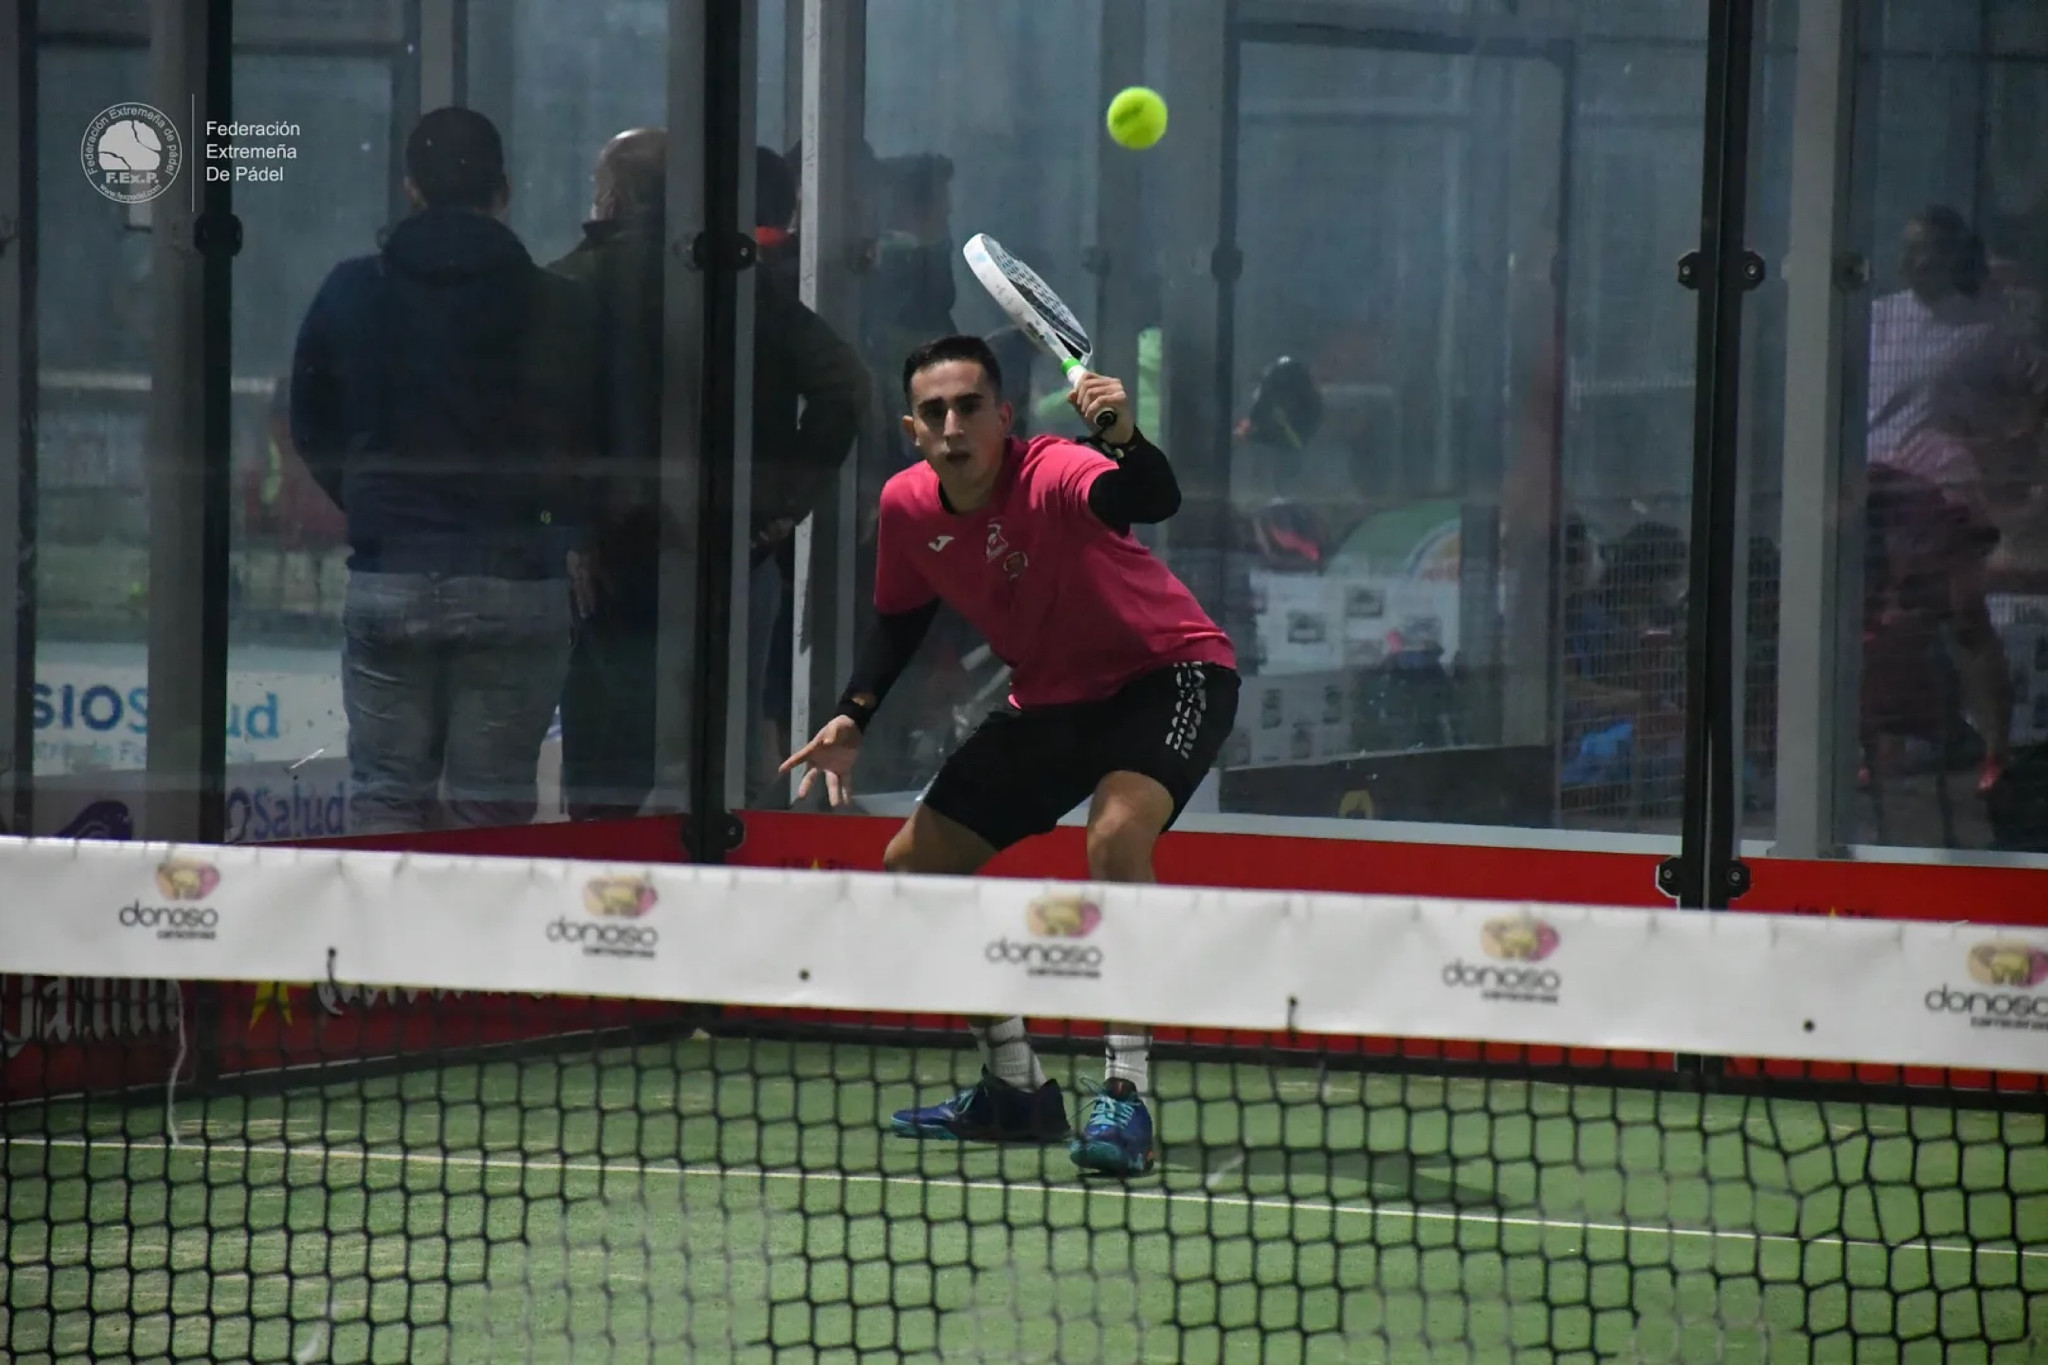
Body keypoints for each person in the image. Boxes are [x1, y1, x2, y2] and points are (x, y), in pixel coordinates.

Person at [779, 335, 1239, 1178]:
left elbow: (1151, 496)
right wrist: (853, 714)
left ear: (1004, 416)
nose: (953, 426)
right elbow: (900, 619)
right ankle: (1017, 1086)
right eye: (934, 412)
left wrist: (1125, 435)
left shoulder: (1056, 468)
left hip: (1169, 673)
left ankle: (1126, 1093)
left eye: (969, 407)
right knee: (915, 864)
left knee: (1116, 840)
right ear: (913, 429)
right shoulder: (907, 505)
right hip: (1051, 698)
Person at [292, 108, 601, 834]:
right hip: (517, 580)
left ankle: (378, 915)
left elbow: (311, 423)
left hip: (390, 572)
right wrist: (556, 526)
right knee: (488, 809)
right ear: (505, 191)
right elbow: (594, 443)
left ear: (412, 188)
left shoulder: (351, 291)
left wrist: (373, 503)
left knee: (386, 799)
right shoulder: (562, 306)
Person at [550, 132, 868, 816]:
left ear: (612, 197)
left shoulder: (571, 284)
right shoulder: (738, 284)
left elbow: (538, 427)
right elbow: (843, 385)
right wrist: (780, 504)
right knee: (726, 767)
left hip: (612, 558)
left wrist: (570, 528)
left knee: (607, 776)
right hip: (734, 549)